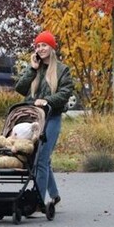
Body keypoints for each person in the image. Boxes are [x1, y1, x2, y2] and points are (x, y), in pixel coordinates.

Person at [15, 31, 73, 209]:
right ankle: (54, 195)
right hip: (34, 119)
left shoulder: (63, 70)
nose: (40, 48)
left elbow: (65, 93)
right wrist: (32, 69)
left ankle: (37, 201)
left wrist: (47, 101)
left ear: (52, 47)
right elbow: (20, 89)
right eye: (38, 45)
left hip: (52, 118)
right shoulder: (35, 68)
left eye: (44, 45)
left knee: (41, 159)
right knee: (41, 159)